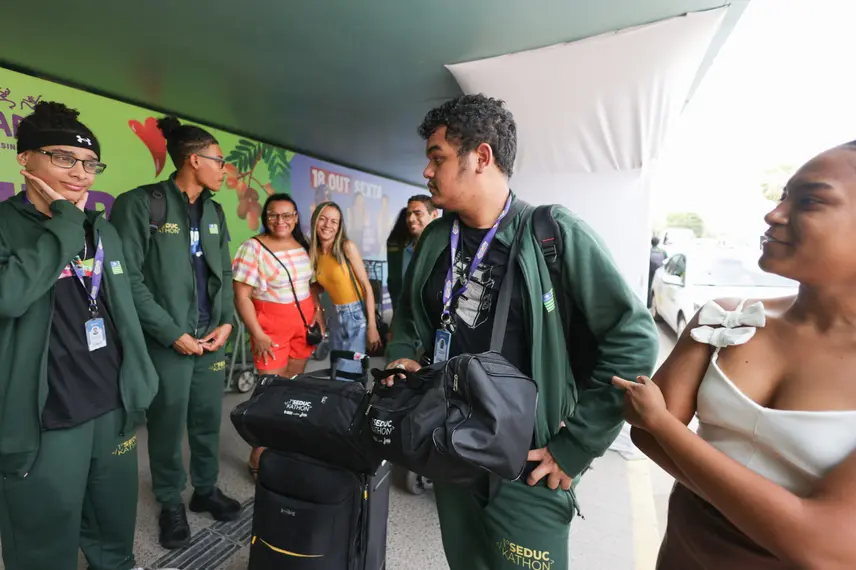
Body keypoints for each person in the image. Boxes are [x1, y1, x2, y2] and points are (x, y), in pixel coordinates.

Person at [385, 94, 659, 569]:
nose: (427, 172)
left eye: (438, 158)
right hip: (448, 443)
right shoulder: (433, 238)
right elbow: (412, 317)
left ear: (482, 157)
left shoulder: (552, 233)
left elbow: (632, 336)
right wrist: (405, 355)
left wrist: (574, 446)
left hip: (526, 461)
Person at [614, 141, 856, 569]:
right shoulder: (726, 319)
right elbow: (643, 435)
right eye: (783, 195)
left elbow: (826, 548)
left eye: (810, 200)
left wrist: (666, 427)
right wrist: (781, 522)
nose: (774, 214)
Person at [0, 102, 166, 570]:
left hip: (112, 407)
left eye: (90, 164)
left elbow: (125, 304)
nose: (80, 174)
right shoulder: (7, 226)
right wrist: (64, 222)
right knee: (42, 544)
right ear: (24, 158)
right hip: (45, 417)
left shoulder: (103, 231)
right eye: (64, 158)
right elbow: (10, 296)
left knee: (113, 534)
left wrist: (141, 379)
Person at [111, 116, 240, 550]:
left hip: (210, 339)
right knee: (166, 427)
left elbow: (223, 270)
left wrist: (225, 322)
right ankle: (170, 502)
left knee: (207, 421)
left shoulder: (215, 210)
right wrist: (170, 333)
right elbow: (128, 278)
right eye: (219, 161)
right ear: (193, 159)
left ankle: (205, 490)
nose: (225, 170)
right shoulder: (141, 204)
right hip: (168, 342)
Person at [232, 193, 322, 477]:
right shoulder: (253, 248)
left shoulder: (304, 246)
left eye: (286, 215)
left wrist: (317, 313)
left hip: (302, 324)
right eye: (273, 214)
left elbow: (310, 285)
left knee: (293, 388)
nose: (280, 220)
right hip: (270, 326)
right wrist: (256, 333)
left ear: (295, 218)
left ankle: (283, 447)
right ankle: (258, 456)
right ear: (265, 217)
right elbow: (241, 296)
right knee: (270, 394)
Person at [309, 201, 381, 377]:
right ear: (315, 221)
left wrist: (372, 326)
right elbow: (317, 285)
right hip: (334, 315)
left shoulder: (346, 247)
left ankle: (351, 403)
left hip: (355, 315)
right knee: (336, 368)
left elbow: (366, 287)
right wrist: (318, 310)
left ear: (340, 225)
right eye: (323, 219)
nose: (328, 225)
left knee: (348, 373)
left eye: (334, 221)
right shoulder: (315, 252)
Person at [648, 235, 667, 308]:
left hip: (651, 272)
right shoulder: (662, 252)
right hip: (659, 273)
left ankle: (649, 304)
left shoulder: (649, 251)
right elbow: (666, 261)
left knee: (649, 287)